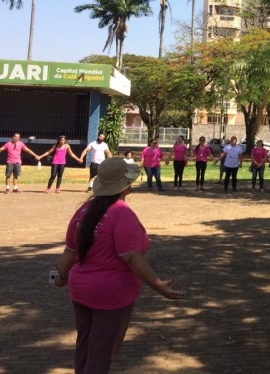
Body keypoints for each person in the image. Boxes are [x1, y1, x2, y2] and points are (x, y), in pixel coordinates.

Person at [54, 157, 181, 373]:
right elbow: (131, 256)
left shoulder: (83, 211)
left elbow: (70, 250)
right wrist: (158, 285)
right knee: (103, 351)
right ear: (126, 187)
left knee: (84, 344)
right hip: (111, 292)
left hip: (80, 288)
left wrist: (61, 274)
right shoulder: (121, 214)